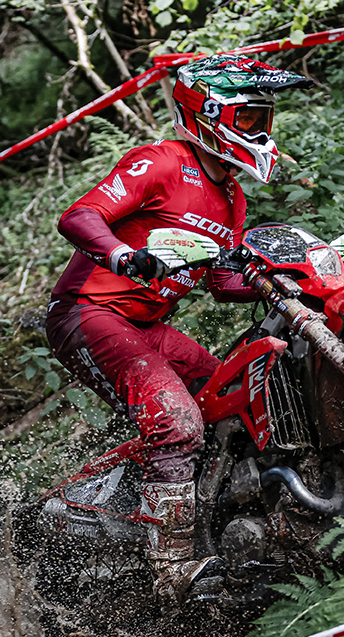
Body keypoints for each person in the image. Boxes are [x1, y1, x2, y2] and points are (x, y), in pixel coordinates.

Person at [46, 53, 313, 605]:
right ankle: (171, 568)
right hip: (90, 313)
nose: (261, 132)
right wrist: (121, 255)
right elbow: (78, 216)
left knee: (238, 404)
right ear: (210, 115)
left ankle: (215, 521)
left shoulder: (233, 198)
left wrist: (287, 285)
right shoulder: (164, 162)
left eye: (265, 120)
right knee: (177, 422)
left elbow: (219, 279)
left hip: (148, 327)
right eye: (251, 120)